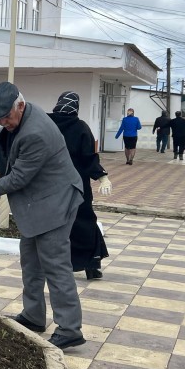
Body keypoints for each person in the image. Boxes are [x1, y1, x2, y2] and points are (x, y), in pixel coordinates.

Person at [0, 82, 85, 350]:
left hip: (55, 203)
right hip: (38, 204)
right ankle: (33, 316)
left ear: (19, 105)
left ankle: (69, 329)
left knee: (55, 266)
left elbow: (17, 178)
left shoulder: (36, 134)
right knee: (31, 262)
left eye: (6, 117)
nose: (3, 122)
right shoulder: (24, 113)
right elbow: (11, 128)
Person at [48, 91, 112, 280]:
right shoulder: (81, 127)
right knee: (84, 222)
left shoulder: (46, 123)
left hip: (50, 185)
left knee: (55, 226)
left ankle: (58, 265)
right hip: (77, 187)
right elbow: (89, 158)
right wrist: (102, 177)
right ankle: (91, 264)